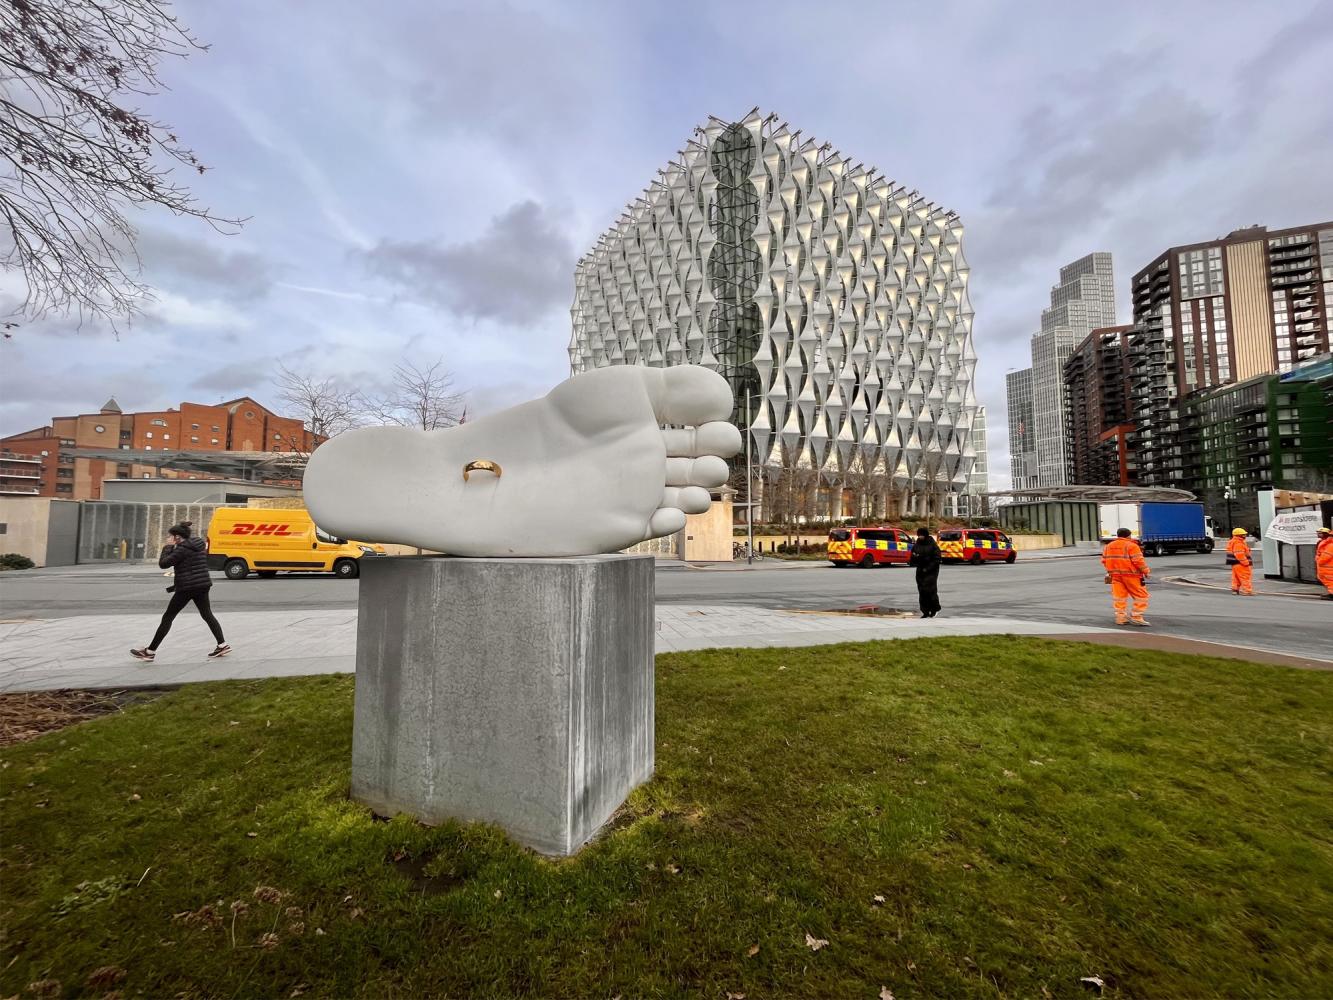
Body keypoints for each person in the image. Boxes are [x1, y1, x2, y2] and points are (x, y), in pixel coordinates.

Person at [131, 522, 230, 661]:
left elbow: (163, 564)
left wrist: (168, 547)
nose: (168, 538)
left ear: (177, 537)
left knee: (168, 617)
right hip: (202, 584)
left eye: (170, 536)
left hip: (187, 587)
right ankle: (222, 644)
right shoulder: (197, 544)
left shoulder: (181, 550)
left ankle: (150, 652)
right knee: (207, 614)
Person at [1101, 527, 1150, 626]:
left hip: (1115, 575)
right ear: (1129, 535)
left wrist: (1110, 571)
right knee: (1141, 596)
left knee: (1119, 598)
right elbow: (1138, 561)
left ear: (1118, 535)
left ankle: (1120, 618)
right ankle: (1137, 617)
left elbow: (1104, 560)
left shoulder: (1108, 546)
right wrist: (1146, 571)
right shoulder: (1132, 546)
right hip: (1132, 575)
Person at [908, 527, 942, 618]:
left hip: (931, 571)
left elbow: (937, 559)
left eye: (922, 535)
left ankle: (934, 609)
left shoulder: (932, 545)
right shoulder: (917, 544)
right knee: (922, 591)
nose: (920, 537)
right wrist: (914, 559)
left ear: (926, 535)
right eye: (919, 535)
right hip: (920, 570)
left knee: (930, 590)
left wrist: (928, 568)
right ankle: (925, 611)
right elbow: (913, 555)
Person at [1227, 527, 1254, 596]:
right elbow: (1239, 554)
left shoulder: (1233, 541)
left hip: (1234, 563)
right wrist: (1246, 562)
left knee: (1236, 577)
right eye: (1243, 534)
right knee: (1245, 576)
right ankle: (1247, 591)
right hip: (1240, 563)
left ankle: (1235, 590)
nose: (1245, 536)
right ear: (1239, 535)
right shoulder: (1238, 543)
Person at [1315, 525, 1333, 601]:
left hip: (1328, 568)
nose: (1318, 534)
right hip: (1325, 568)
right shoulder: (1324, 542)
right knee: (1328, 582)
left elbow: (1325, 556)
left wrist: (1318, 560)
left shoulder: (1330, 544)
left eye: (1320, 533)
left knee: (1330, 582)